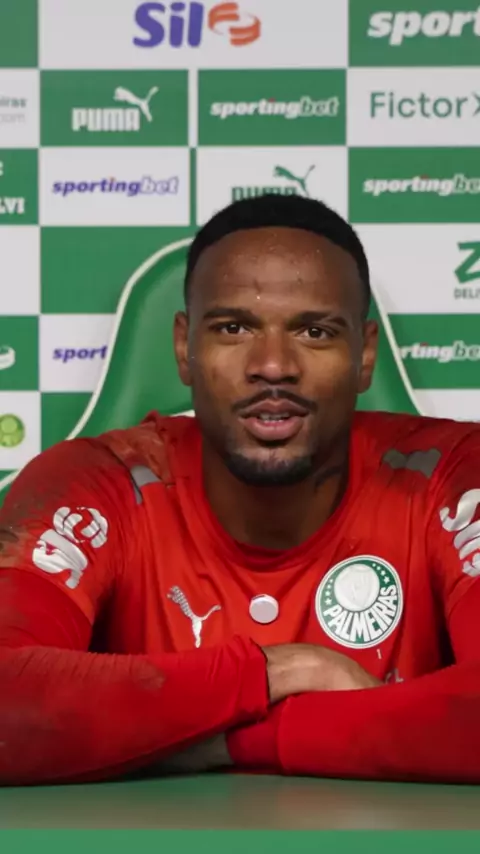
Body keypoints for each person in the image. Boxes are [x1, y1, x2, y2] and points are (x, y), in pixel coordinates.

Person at [1, 193, 480, 787]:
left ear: (365, 356)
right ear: (184, 348)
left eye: (315, 331)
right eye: (233, 328)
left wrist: (230, 740)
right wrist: (275, 672)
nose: (273, 366)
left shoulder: (451, 474)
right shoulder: (95, 483)